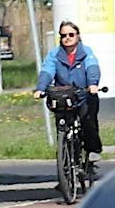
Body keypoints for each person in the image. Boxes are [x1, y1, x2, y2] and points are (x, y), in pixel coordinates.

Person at [36, 19, 103, 160]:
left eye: (71, 35)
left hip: (84, 95)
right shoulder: (55, 54)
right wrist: (41, 88)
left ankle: (92, 151)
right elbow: (47, 70)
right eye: (63, 35)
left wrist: (93, 84)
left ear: (78, 36)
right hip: (64, 97)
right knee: (62, 125)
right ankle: (66, 156)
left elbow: (92, 67)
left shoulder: (86, 52)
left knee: (88, 122)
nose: (67, 38)